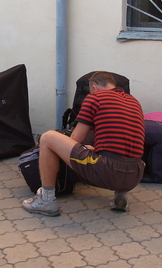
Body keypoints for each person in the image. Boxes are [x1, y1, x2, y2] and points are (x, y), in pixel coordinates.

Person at [22, 72, 146, 216]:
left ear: (94, 87)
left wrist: (74, 150)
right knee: (121, 150)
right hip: (135, 175)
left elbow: (76, 139)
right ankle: (121, 196)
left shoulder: (95, 97)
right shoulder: (134, 101)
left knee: (47, 138)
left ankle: (46, 200)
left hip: (108, 171)